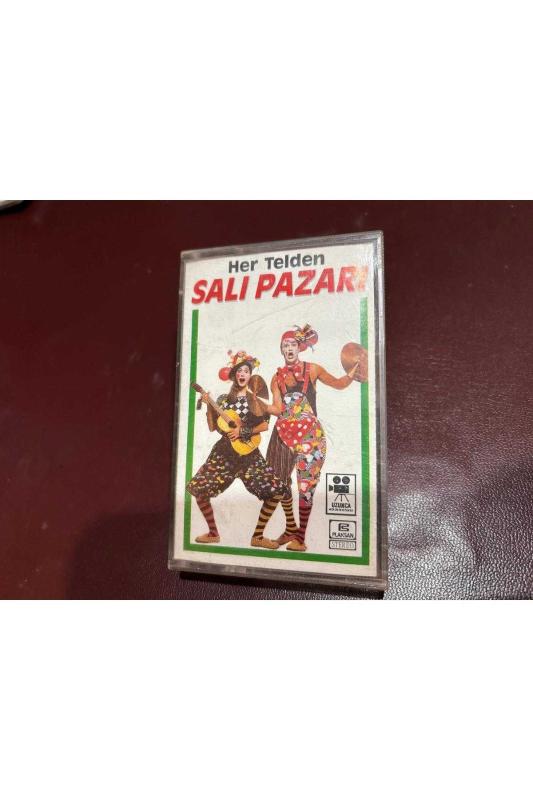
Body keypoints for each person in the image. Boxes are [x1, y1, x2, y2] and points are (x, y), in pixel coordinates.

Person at [256, 325, 360, 552]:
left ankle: (300, 538)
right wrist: (257, 403)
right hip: (283, 435)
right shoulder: (276, 378)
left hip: (309, 437)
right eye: (285, 345)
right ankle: (290, 529)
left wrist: (354, 371)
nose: (289, 348)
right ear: (281, 350)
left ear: (299, 347)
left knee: (306, 486)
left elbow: (339, 383)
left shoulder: (313, 369)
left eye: (293, 344)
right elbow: (277, 409)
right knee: (279, 483)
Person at [186, 349, 289, 549]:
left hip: (249, 454)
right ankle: (213, 533)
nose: (242, 374)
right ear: (233, 375)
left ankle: (257, 536)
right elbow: (213, 427)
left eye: (246, 371)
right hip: (224, 453)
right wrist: (208, 406)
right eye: (239, 371)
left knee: (276, 491)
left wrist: (243, 431)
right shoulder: (223, 400)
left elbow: (264, 425)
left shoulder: (255, 400)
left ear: (250, 375)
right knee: (199, 489)